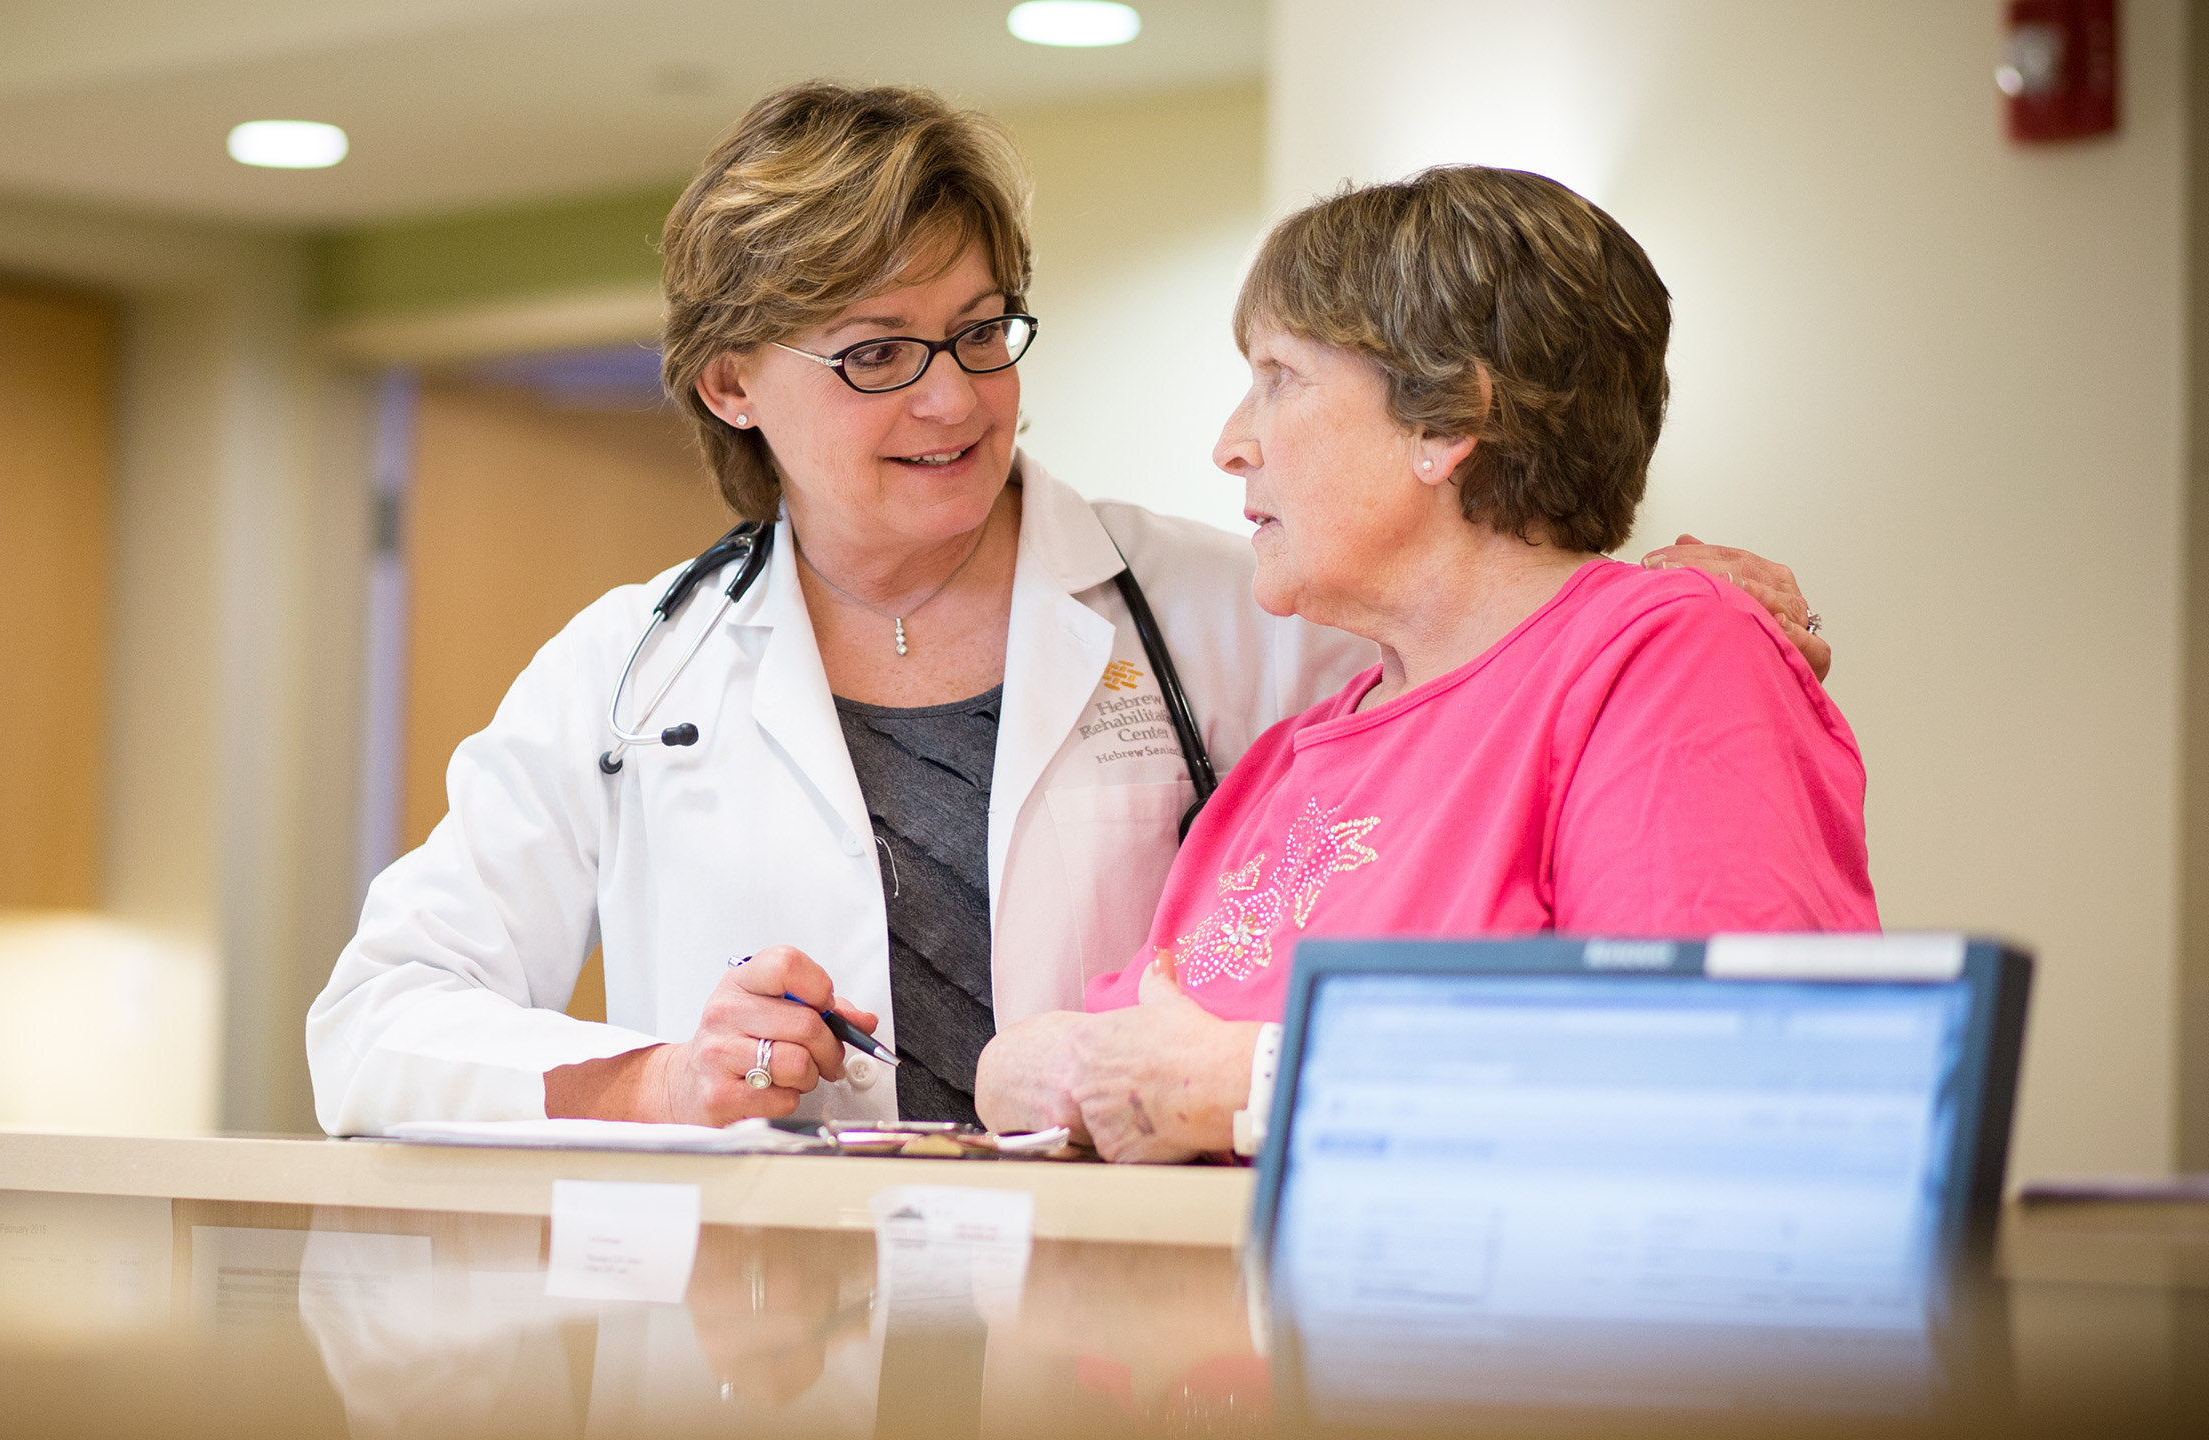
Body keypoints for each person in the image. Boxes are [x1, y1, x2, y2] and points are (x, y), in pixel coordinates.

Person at [306, 85, 1827, 1135]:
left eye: (980, 332)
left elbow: (1496, 656)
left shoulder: (1234, 611)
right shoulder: (625, 671)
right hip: (765, 1338)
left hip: (1129, 1324)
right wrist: (661, 1079)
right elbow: (373, 1026)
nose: (956, 398)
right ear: (731, 382)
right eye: (879, 353)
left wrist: (1638, 602)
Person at [975, 166, 1877, 1161]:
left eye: (1280, 378)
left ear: (1445, 422)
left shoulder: (1663, 655)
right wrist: (1040, 1068)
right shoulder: (1291, 759)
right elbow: (1060, 1071)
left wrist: (1243, 1085)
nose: (1232, 444)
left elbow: (1713, 1078)